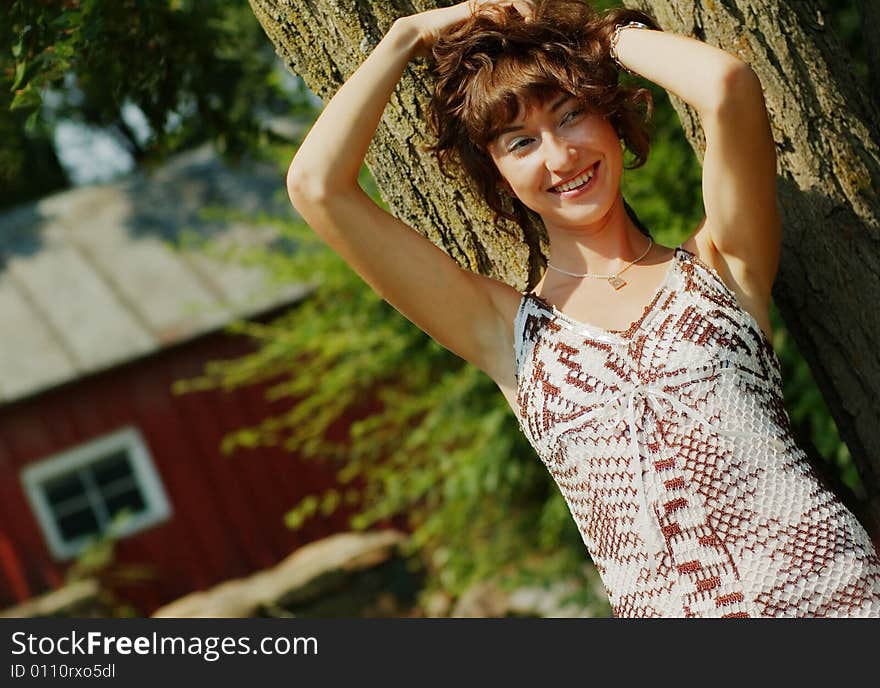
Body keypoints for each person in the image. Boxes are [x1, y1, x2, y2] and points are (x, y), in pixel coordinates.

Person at [286, 0, 880, 617]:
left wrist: (595, 37)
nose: (561, 156)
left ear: (611, 117)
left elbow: (727, 85)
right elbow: (315, 186)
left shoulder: (723, 265)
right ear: (498, 175)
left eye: (572, 116)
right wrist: (407, 36)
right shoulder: (504, 333)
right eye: (521, 141)